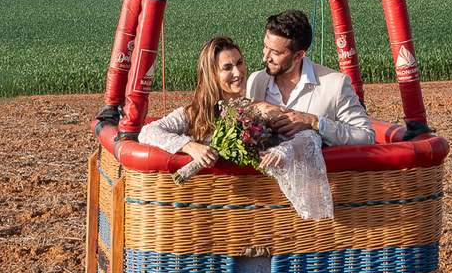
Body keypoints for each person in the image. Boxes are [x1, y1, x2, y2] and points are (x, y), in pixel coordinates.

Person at [138, 34, 332, 220]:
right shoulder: (194, 114)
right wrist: (189, 146)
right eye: (227, 67)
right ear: (211, 74)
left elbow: (307, 134)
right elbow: (148, 132)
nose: (238, 73)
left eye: (239, 63)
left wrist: (284, 151)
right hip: (204, 210)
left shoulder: (257, 110)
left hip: (251, 208)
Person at [247, 9, 378, 146]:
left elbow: (366, 136)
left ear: (298, 55)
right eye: (265, 47)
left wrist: (315, 123)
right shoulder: (256, 80)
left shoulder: (335, 84)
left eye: (274, 52)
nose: (265, 57)